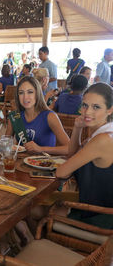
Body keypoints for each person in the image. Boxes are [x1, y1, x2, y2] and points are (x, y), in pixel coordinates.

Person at [56, 83, 113, 229]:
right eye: (85, 105)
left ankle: (50, 248)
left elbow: (61, 172)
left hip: (99, 218)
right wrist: (77, 128)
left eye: (96, 107)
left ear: (110, 109)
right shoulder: (103, 133)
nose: (87, 112)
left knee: (37, 212)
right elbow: (72, 155)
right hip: (97, 208)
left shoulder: (101, 140)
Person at [5, 76, 69, 155]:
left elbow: (69, 148)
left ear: (37, 94)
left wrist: (41, 149)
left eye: (30, 92)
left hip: (45, 164)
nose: (25, 97)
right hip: (20, 165)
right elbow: (6, 145)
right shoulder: (14, 117)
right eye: (21, 93)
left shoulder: (50, 116)